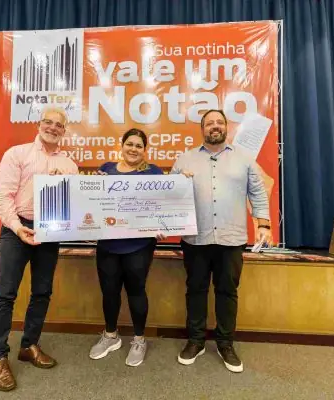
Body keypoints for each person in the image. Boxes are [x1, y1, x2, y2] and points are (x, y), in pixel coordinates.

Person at [171, 109, 272, 373]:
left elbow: (258, 193)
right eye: (209, 123)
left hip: (231, 239)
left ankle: (225, 343)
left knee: (227, 292)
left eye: (219, 122)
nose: (214, 126)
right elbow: (170, 197)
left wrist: (263, 224)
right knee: (196, 290)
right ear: (202, 129)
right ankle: (196, 340)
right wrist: (178, 184)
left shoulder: (244, 159)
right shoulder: (184, 159)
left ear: (226, 127)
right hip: (196, 239)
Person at [0, 106, 78, 391]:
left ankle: (29, 345)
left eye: (58, 125)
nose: (52, 127)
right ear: (39, 124)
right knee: (5, 294)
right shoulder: (17, 154)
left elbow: (73, 206)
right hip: (17, 229)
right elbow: (3, 197)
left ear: (64, 131)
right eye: (48, 122)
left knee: (42, 292)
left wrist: (63, 189)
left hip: (50, 231)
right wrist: (17, 227)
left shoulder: (69, 165)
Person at [89, 128, 166, 367]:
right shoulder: (106, 169)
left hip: (139, 245)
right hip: (108, 244)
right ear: (121, 146)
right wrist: (92, 186)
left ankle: (139, 340)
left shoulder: (154, 172)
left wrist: (166, 223)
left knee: (136, 290)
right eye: (129, 144)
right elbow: (93, 203)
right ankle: (110, 336)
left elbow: (165, 204)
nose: (133, 149)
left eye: (138, 146)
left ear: (145, 150)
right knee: (109, 291)